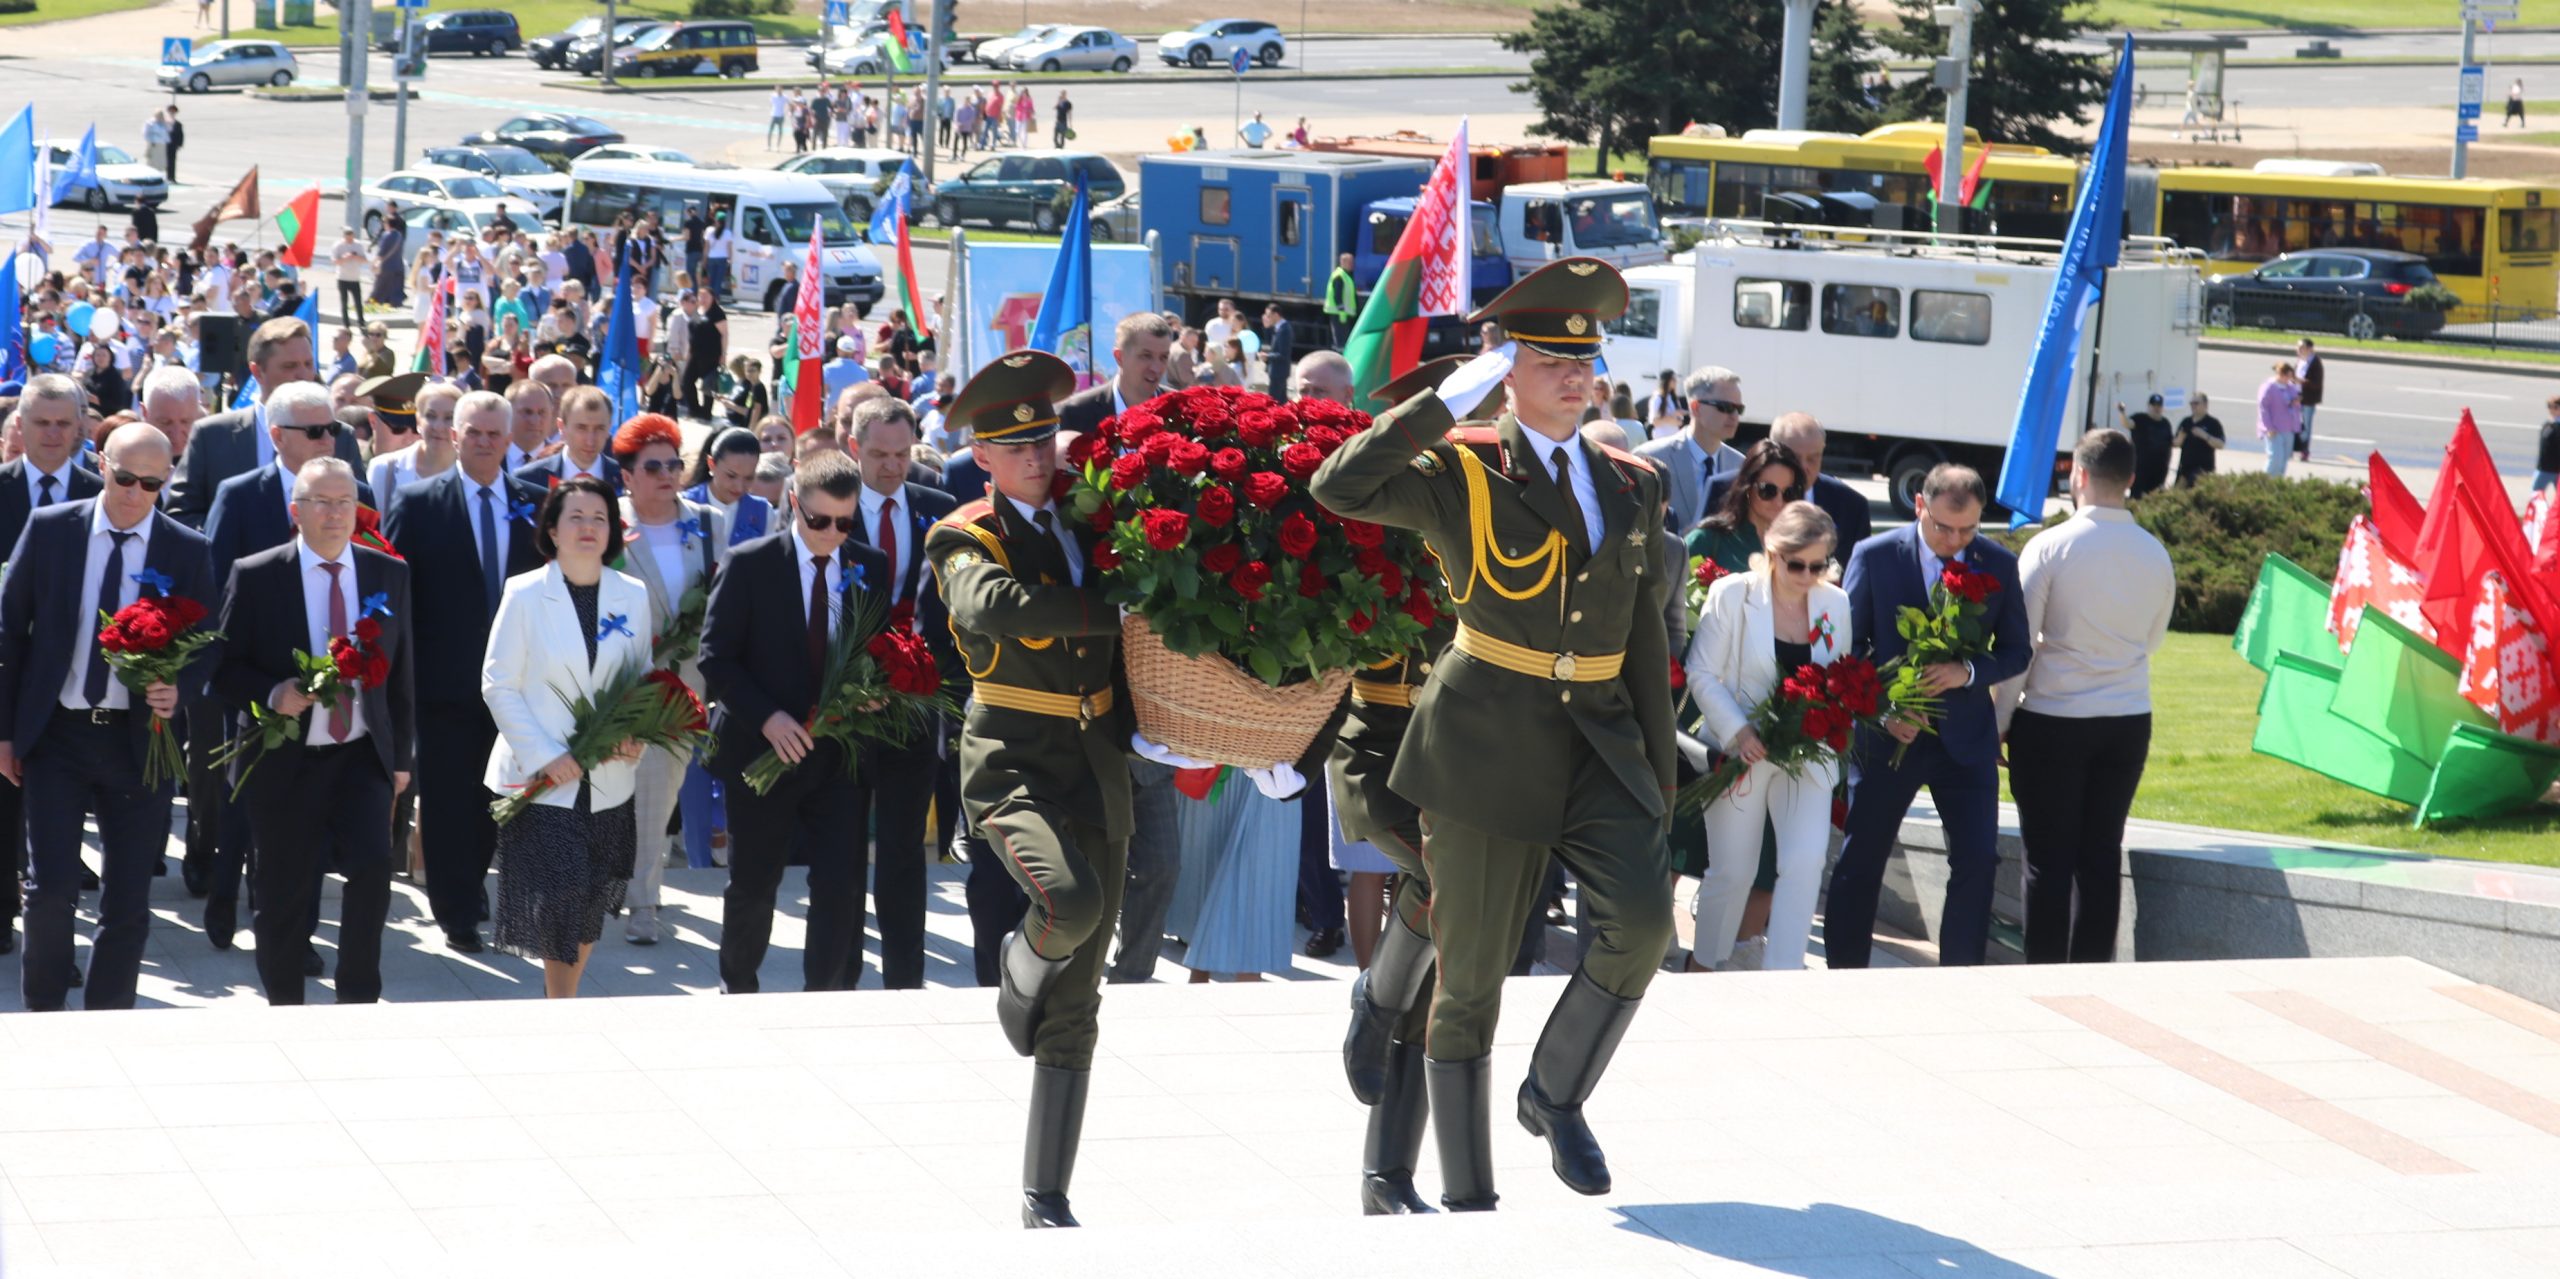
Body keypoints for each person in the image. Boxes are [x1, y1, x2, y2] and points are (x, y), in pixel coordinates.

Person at [1311, 258, 1677, 1212]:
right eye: (1550, 357)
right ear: (1508, 367)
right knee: (1470, 978)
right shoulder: (1464, 466)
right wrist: (1443, 402)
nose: (1574, 374)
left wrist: (1657, 770)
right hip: (1483, 740)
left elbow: (1644, 632)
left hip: (1596, 739)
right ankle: (1462, 1196)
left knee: (1641, 923)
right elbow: (1339, 488)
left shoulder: (1633, 483)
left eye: (1584, 357)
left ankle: (1554, 1093)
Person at [920, 350, 1136, 1229]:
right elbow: (992, 608)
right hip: (1011, 758)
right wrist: (1110, 608)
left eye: (1044, 436)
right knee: (1068, 902)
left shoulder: (1094, 520)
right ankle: (1017, 968)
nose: (1037, 456)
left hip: (1098, 758)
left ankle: (1046, 1195)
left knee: (1082, 999)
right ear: (983, 459)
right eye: (1015, 447)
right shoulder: (963, 533)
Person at [0, 414, 216, 1011]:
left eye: (151, 484)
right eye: (125, 478)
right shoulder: (51, 530)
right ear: (100, 464)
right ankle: (43, 1015)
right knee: (49, 891)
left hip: (139, 741)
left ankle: (108, 1021)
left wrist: (181, 687)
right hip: (58, 735)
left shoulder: (186, 548)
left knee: (127, 900)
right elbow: (9, 633)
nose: (135, 494)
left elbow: (211, 641)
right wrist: (5, 734)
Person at [1327, 357, 1467, 1216]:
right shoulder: (1374, 516)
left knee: (1443, 983)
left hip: (1463, 765)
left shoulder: (1503, 519)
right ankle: (1372, 996)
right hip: (1379, 755)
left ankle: (1389, 1176)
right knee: (1435, 886)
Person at [212, 456, 412, 1004]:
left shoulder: (387, 572)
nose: (334, 514)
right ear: (294, 511)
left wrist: (400, 763)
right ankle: (285, 1003)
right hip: (284, 762)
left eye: (344, 502)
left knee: (372, 869)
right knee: (282, 894)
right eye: (320, 502)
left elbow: (400, 677)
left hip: (359, 755)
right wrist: (274, 693)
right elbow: (222, 671)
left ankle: (357, 997)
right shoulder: (257, 574)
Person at [698, 450, 891, 993]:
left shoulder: (868, 565)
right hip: (763, 752)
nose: (833, 533)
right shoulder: (750, 563)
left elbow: (873, 649)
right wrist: (769, 719)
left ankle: (824, 999)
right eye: (820, 520)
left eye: (846, 522)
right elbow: (716, 657)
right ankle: (739, 988)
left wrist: (873, 691)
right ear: (793, 504)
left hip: (838, 756)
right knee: (755, 886)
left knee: (840, 886)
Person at [1826, 464, 2031, 970]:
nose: (1954, 541)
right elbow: (1847, 652)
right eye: (1943, 527)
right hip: (1889, 735)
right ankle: (1844, 973)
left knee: (1978, 861)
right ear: (1919, 505)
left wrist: (1966, 672)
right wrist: (1882, 711)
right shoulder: (1874, 556)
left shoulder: (1998, 565)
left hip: (1965, 742)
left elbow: (2015, 651)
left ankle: (1959, 975)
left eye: (1968, 530)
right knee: (1863, 857)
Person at [1997, 429, 2174, 965]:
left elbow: (2018, 646)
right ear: (2132, 480)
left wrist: (1999, 720)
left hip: (2053, 718)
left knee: (2047, 860)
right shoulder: (2154, 552)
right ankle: (2095, 973)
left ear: (2077, 472)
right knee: (2100, 855)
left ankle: (2044, 975)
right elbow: (2154, 639)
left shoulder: (2049, 546)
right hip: (2126, 718)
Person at [382, 391, 548, 953]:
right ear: (454, 435)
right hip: (443, 684)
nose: (483, 442)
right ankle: (457, 910)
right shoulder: (418, 502)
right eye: (473, 432)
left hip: (518, 685)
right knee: (451, 801)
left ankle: (474, 886)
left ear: (508, 440)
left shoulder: (535, 501)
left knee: (498, 801)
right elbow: (398, 593)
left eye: (494, 434)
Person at [482, 477, 652, 997]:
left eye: (599, 518)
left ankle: (565, 1004)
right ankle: (563, 1012)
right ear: (552, 530)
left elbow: (641, 678)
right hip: (545, 781)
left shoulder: (633, 594)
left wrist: (636, 733)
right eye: (575, 517)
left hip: (609, 780)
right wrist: (545, 755)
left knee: (589, 908)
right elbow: (497, 683)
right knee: (558, 903)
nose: (588, 528)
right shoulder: (526, 593)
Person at [1685, 501, 1849, 972]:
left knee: (1804, 861)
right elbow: (1702, 671)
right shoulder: (1733, 594)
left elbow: (1837, 675)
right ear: (1771, 550)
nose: (1806, 574)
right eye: (1796, 563)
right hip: (1743, 752)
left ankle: (1783, 976)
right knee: (1732, 872)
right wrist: (1738, 729)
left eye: (1818, 565)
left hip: (1808, 751)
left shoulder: (1834, 603)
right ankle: (1705, 967)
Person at [843, 398, 956, 988]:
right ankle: (835, 978)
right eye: (879, 454)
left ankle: (905, 982)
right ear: (853, 447)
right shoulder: (831, 510)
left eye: (901, 454)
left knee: (904, 852)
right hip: (842, 712)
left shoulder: (940, 510)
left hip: (915, 707)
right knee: (840, 852)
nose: (891, 467)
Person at [0, 379, 108, 953]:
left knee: (56, 828)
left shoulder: (104, 495)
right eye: (41, 423)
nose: (52, 435)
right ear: (20, 424)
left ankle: (53, 947)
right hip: (4, 675)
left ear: (81, 428)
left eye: (64, 424)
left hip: (73, 689)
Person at [611, 415, 727, 944]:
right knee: (610, 796)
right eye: (652, 466)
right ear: (627, 475)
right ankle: (615, 885)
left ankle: (643, 905)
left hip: (681, 690)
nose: (666, 474)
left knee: (655, 799)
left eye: (674, 463)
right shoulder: (606, 520)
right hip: (614, 684)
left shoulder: (708, 522)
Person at [171, 316, 358, 526]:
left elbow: (362, 520)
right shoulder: (212, 436)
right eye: (290, 366)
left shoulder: (339, 435)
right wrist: (231, 538)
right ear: (257, 371)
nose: (303, 374)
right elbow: (180, 516)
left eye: (308, 364)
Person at [1702, 411, 1871, 562]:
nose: (1804, 466)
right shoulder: (1724, 488)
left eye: (1813, 458)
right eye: (1794, 457)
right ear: (1773, 451)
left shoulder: (1851, 507)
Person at [1635, 364, 1744, 535]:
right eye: (1726, 407)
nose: (1735, 416)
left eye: (1739, 409)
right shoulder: (1650, 458)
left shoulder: (1740, 466)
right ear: (1696, 408)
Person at [1058, 313, 1173, 436]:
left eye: (1163, 357)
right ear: (1120, 357)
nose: (1156, 368)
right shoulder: (1076, 413)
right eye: (1146, 356)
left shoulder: (1180, 409)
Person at [517, 385, 624, 491]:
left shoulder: (625, 479)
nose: (590, 441)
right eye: (581, 428)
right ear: (562, 427)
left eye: (599, 428)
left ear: (609, 428)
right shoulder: (529, 479)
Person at [686, 425, 773, 547]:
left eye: (749, 478)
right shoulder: (685, 504)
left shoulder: (763, 512)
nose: (739, 487)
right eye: (731, 476)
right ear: (711, 464)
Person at [2114, 393, 2174, 500]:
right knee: (2138, 499)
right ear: (2148, 406)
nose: (2156, 408)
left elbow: (2170, 444)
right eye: (2154, 405)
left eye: (2159, 406)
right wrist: (2122, 412)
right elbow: (2127, 423)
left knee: (2156, 499)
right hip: (2141, 470)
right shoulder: (2140, 419)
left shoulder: (2165, 423)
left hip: (2160, 471)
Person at [2256, 361, 2302, 476]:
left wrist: (2296, 402)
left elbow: (2296, 405)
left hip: (2288, 428)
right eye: (2287, 376)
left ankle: (2278, 483)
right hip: (2274, 429)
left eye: (2291, 376)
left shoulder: (2291, 387)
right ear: (2280, 374)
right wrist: (2268, 427)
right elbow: (2263, 409)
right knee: (2275, 458)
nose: (2289, 379)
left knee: (2284, 460)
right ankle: (2264, 482)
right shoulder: (2268, 387)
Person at [2175, 392, 2227, 487]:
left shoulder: (2213, 423)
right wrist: (2179, 439)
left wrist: (2205, 436)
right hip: (2184, 470)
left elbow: (2221, 444)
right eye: (2191, 403)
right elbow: (2176, 443)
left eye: (2196, 403)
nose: (2193, 406)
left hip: (2203, 471)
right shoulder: (2186, 422)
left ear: (2205, 405)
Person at [331, 228, 369, 330]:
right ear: (344, 236)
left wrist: (355, 257)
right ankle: (346, 323)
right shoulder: (338, 246)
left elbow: (365, 260)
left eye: (351, 235)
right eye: (347, 236)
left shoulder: (358, 245)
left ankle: (361, 322)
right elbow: (334, 261)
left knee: (358, 302)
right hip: (342, 277)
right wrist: (344, 258)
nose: (349, 238)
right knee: (344, 301)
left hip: (354, 278)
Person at [1288, 350, 1355, 405]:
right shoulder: (1288, 420)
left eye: (1319, 391)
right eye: (1303, 391)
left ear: (1347, 395)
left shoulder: (1360, 421)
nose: (1309, 399)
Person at [2293, 338, 2323, 460]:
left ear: (2310, 349)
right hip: (2296, 397)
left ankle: (2305, 451)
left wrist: (2301, 381)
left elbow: (2316, 383)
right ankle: (2294, 447)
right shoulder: (2300, 360)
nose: (2298, 350)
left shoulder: (2315, 363)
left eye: (2302, 348)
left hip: (2308, 400)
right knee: (2294, 424)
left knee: (2306, 426)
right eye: (2298, 347)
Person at [1260, 304, 1295, 400]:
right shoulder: (1278, 327)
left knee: (1274, 400)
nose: (1267, 318)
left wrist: (1267, 356)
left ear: (1276, 315)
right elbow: (1270, 344)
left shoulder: (1284, 329)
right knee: (1281, 400)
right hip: (1277, 371)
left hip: (1279, 371)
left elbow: (1283, 354)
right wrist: (1266, 327)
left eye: (1268, 315)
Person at [1324, 253, 1359, 347]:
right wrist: (1342, 313)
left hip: (1343, 314)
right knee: (1340, 342)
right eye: (1350, 262)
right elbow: (1337, 296)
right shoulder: (1339, 276)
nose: (1352, 264)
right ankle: (1338, 360)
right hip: (1339, 314)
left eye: (1352, 262)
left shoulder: (1346, 276)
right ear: (1343, 262)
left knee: (1344, 341)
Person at [2538, 395, 2560, 493]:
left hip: (2555, 470)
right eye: (2549, 406)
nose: (2551, 409)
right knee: (2536, 495)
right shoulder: (2548, 423)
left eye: (2555, 407)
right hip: (2544, 468)